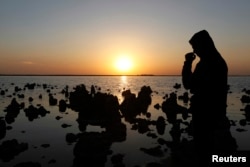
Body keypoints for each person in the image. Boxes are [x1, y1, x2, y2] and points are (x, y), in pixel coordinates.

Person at [182, 30, 237, 164]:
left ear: (203, 45)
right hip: (216, 114)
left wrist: (187, 63)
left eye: (195, 47)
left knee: (204, 152)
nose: (195, 51)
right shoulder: (218, 61)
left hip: (206, 117)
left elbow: (188, 84)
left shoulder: (206, 64)